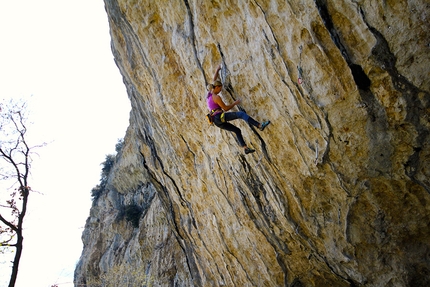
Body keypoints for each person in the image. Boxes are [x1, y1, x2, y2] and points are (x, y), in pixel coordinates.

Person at [206, 65, 270, 154]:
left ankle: (245, 148)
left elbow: (214, 80)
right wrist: (235, 103)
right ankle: (259, 125)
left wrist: (217, 70)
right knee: (241, 114)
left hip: (216, 122)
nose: (220, 90)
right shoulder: (216, 97)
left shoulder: (209, 95)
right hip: (219, 117)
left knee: (237, 130)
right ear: (216, 88)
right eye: (220, 88)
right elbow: (225, 108)